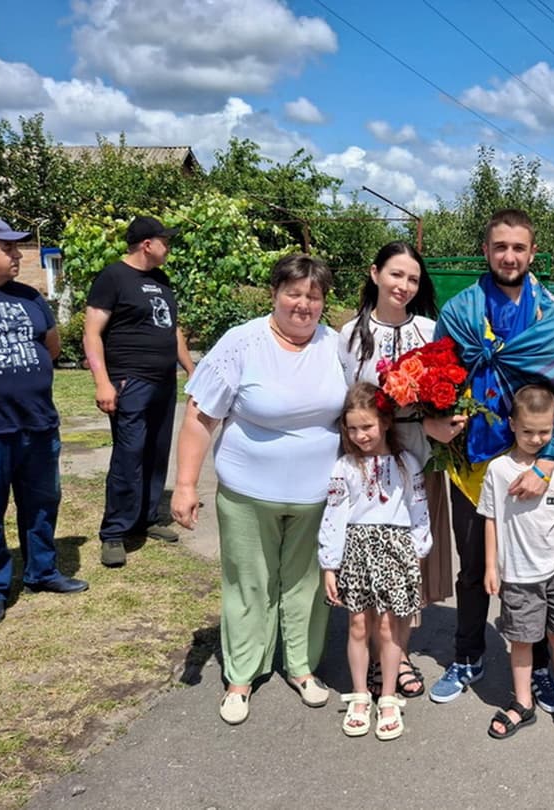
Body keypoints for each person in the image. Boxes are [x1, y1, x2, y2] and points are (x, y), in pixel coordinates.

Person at [170, 254, 345, 726]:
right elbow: (200, 415)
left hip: (318, 497)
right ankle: (241, 676)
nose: (303, 304)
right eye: (294, 292)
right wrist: (185, 484)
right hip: (248, 493)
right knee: (249, 584)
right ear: (275, 293)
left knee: (308, 586)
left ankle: (303, 668)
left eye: (314, 296)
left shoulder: (337, 345)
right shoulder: (241, 343)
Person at [426, 208, 554, 710]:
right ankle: (468, 655)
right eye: (500, 247)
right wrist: (435, 417)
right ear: (486, 250)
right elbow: (435, 380)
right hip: (474, 466)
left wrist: (544, 464)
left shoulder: (551, 318)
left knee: (533, 571)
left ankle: (537, 667)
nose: (509, 256)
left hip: (533, 463)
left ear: (532, 253)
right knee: (475, 569)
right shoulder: (460, 311)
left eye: (519, 247)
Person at [0, 215, 88, 626]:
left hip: (37, 423)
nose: (17, 255)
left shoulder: (29, 296)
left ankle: (42, 571)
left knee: (42, 503)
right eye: (8, 248)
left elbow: (49, 347)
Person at [338, 241, 452, 698]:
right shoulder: (348, 336)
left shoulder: (430, 330)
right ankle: (374, 649)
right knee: (372, 555)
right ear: (374, 274)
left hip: (418, 458)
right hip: (368, 463)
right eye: (395, 275)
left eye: (412, 279)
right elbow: (345, 401)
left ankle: (399, 653)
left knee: (408, 556)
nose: (403, 285)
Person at [320, 382, 432, 741]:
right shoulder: (345, 466)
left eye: (366, 426)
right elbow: (334, 515)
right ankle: (359, 696)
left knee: (387, 625)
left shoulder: (406, 463)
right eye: (352, 428)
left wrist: (418, 549)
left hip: (396, 547)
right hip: (357, 548)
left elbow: (418, 509)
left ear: (384, 422)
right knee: (357, 625)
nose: (360, 435)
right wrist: (329, 563)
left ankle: (387, 695)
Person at [84, 216, 195, 567]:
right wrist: (102, 381)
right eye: (166, 241)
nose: (170, 246)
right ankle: (114, 531)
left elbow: (173, 329)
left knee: (156, 451)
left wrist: (191, 370)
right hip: (129, 381)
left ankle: (145, 519)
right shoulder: (113, 277)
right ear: (148, 244)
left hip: (163, 381)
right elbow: (91, 333)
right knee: (129, 454)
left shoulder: (161, 280)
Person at [481, 385, 554, 745]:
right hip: (518, 574)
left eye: (544, 431)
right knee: (522, 641)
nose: (536, 439)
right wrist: (491, 567)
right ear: (512, 424)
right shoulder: (497, 470)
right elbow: (491, 519)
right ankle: (523, 702)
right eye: (527, 431)